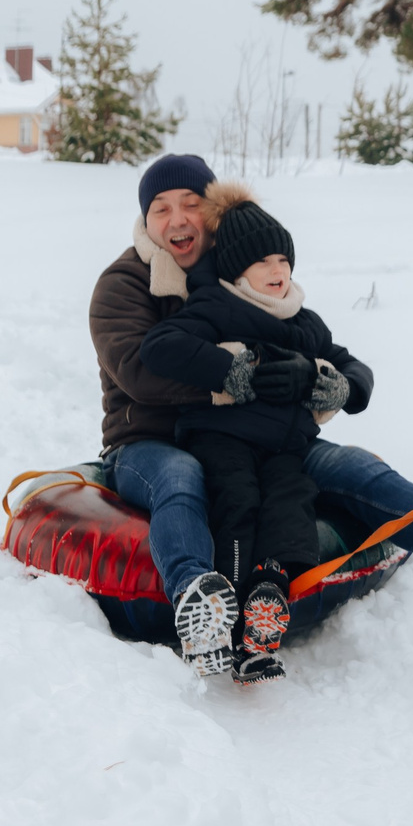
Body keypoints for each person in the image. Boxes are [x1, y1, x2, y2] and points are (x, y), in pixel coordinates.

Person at [89, 155, 413, 677]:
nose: (178, 219)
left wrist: (318, 379)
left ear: (213, 215)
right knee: (182, 479)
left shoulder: (243, 269)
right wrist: (239, 376)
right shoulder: (124, 283)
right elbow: (138, 369)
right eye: (162, 208)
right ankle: (199, 602)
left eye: (191, 204)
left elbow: (319, 346)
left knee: (356, 470)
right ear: (146, 218)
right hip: (147, 441)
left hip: (265, 437)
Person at [140, 199, 367, 683]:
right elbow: (161, 347)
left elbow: (351, 364)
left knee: (291, 505)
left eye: (284, 260)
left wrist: (345, 386)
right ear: (238, 268)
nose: (278, 270)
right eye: (264, 260)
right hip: (223, 439)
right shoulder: (217, 305)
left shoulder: (304, 320)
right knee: (236, 502)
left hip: (285, 447)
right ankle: (223, 612)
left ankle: (265, 605)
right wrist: (230, 368)